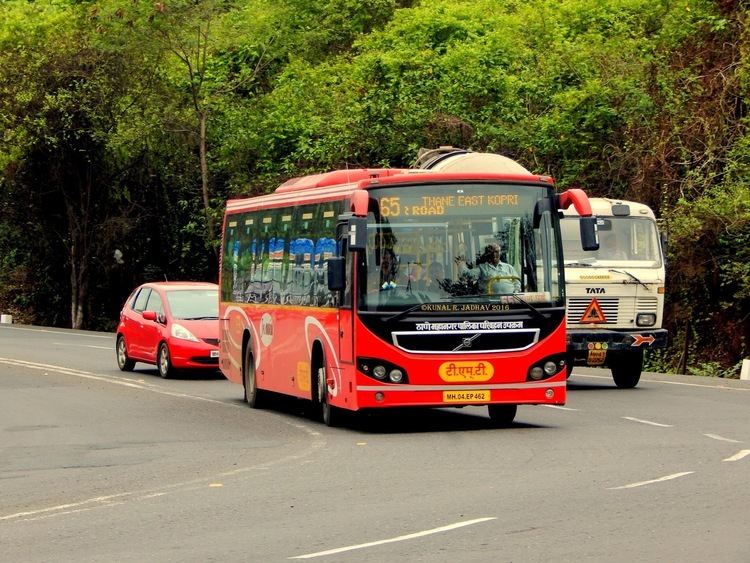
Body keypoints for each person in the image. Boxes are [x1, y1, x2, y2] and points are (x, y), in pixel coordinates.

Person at [455, 242, 521, 294]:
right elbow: (467, 274)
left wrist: (515, 293)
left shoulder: (509, 267)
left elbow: (517, 282)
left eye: (497, 251)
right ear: (487, 254)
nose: (494, 254)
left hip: (510, 304)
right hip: (489, 303)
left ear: (500, 253)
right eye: (491, 252)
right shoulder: (482, 268)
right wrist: (461, 264)